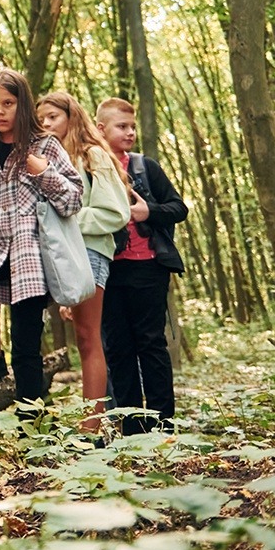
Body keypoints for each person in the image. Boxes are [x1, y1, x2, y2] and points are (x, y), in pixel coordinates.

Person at [0, 69, 83, 405]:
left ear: (22, 104)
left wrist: (45, 174)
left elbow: (73, 200)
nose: (0, 111)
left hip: (31, 258)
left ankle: (30, 421)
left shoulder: (46, 145)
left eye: (8, 103)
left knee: (27, 349)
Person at [37, 91, 131, 433]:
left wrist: (70, 217)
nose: (46, 124)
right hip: (54, 255)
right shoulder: (43, 159)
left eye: (53, 117)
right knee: (68, 334)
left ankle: (92, 427)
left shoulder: (93, 156)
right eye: (41, 119)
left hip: (89, 252)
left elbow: (116, 213)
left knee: (88, 337)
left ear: (71, 117)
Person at [95, 97, 188, 434]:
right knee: (118, 348)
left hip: (149, 268)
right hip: (107, 270)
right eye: (122, 127)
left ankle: (164, 425)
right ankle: (133, 430)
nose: (130, 132)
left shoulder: (144, 166)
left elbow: (178, 207)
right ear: (101, 129)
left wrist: (148, 211)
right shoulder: (89, 168)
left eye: (132, 126)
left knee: (151, 343)